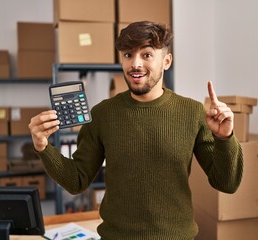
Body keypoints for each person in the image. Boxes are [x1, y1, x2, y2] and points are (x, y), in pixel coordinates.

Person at [29, 21, 243, 240]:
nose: (135, 64)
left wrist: (225, 138)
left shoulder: (192, 111)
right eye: (128, 55)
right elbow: (76, 180)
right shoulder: (103, 114)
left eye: (147, 55)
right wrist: (43, 147)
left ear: (166, 61)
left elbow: (226, 182)